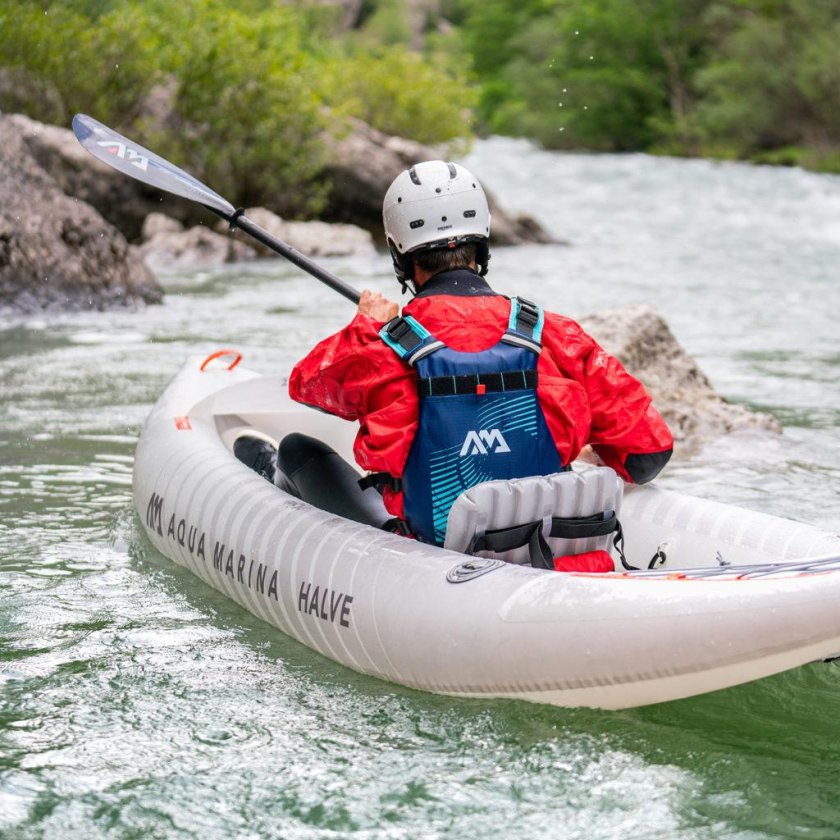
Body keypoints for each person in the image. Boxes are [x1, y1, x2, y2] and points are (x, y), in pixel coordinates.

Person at [286, 160, 673, 548]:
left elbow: (307, 387)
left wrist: (367, 325)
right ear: (482, 244)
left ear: (399, 254)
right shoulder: (554, 335)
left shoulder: (384, 348)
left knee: (293, 450)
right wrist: (578, 449)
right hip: (554, 557)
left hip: (431, 555)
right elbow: (648, 456)